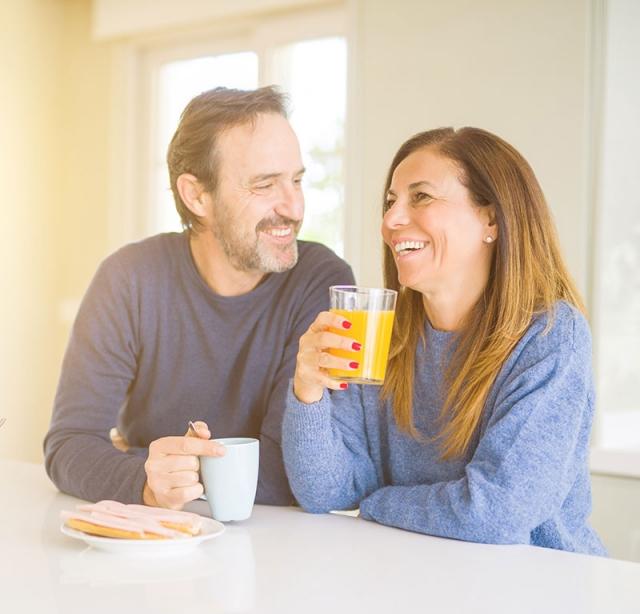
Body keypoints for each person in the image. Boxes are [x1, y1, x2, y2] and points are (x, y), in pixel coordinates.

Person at [283, 126, 606, 555]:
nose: (390, 221)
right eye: (391, 202)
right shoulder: (382, 335)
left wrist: (377, 503)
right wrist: (308, 393)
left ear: (491, 218)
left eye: (421, 197)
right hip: (424, 585)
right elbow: (326, 492)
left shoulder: (549, 337)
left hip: (537, 592)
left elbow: (497, 511)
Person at [44, 86, 354, 510]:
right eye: (265, 185)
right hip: (156, 541)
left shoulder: (321, 281)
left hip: (276, 547)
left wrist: (139, 462)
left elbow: (293, 472)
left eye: (297, 180)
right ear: (197, 195)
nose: (295, 207)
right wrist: (145, 479)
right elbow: (69, 445)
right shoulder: (129, 278)